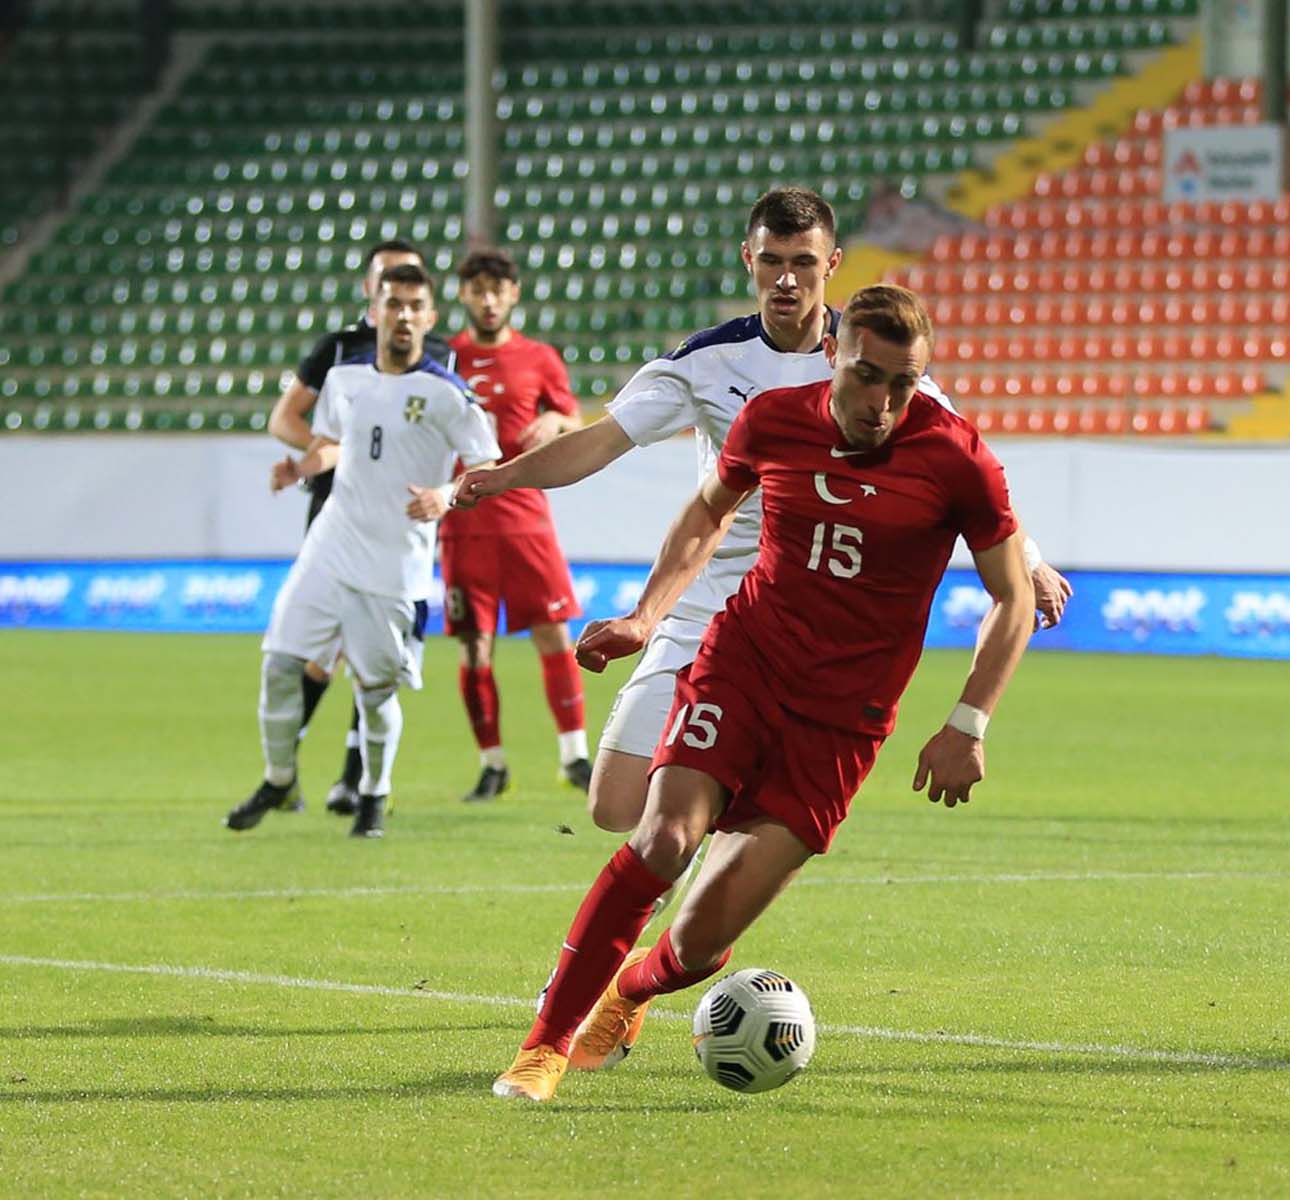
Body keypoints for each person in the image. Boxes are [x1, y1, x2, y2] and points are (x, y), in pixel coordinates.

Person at [490, 284, 1035, 1101]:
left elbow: (1013, 593)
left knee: (702, 942)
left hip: (843, 722)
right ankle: (543, 1048)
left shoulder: (957, 457)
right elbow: (708, 511)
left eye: (904, 382)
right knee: (662, 838)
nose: (882, 403)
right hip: (743, 665)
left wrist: (968, 721)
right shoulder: (773, 421)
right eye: (865, 376)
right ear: (830, 355)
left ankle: (631, 991)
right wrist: (647, 616)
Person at [455, 187, 1072, 843]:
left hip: (808, 610)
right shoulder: (705, 361)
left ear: (831, 264)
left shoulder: (875, 364)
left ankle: (688, 891)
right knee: (614, 803)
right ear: (747, 258)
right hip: (706, 596)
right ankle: (698, 845)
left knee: (688, 817)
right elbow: (602, 439)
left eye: (803, 262)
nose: (786, 279)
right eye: (771, 260)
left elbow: (968, 467)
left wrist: (1029, 561)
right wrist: (506, 477)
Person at [226, 264, 500, 838]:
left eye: (414, 305)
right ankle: (280, 779)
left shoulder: (448, 394)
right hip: (331, 545)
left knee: (375, 692)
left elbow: (487, 466)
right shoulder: (344, 379)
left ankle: (373, 792)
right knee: (279, 664)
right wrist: (301, 466)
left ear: (429, 317)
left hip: (394, 563)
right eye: (392, 303)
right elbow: (334, 446)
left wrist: (446, 496)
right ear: (374, 311)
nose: (402, 315)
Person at [266, 239, 458, 818]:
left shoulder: (442, 359)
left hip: (401, 519)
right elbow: (285, 418)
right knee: (319, 654)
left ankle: (355, 779)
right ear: (370, 294)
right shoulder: (339, 350)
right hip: (336, 511)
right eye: (385, 285)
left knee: (372, 657)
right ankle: (287, 769)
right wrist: (339, 453)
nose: (397, 301)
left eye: (409, 288)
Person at [442, 249, 591, 802]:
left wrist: (555, 417)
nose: (487, 299)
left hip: (527, 518)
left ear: (513, 294)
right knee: (473, 647)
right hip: (464, 521)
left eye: (496, 289)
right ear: (464, 295)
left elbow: (573, 419)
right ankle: (492, 763)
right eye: (477, 289)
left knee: (554, 633)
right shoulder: (445, 359)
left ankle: (574, 755)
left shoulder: (539, 357)